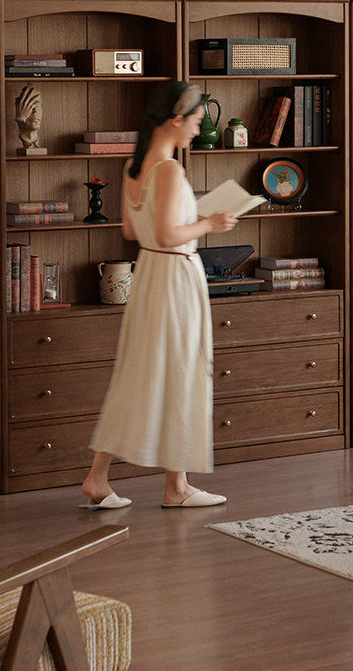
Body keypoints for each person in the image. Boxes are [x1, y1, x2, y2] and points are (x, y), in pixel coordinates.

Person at [80, 81, 237, 510]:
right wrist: (209, 223)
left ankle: (103, 477)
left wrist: (190, 219)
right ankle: (177, 487)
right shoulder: (169, 170)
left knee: (141, 373)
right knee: (181, 372)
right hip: (175, 277)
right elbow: (169, 234)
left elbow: (133, 231)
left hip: (148, 274)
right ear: (176, 119)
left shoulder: (135, 166)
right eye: (196, 123)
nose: (196, 131)